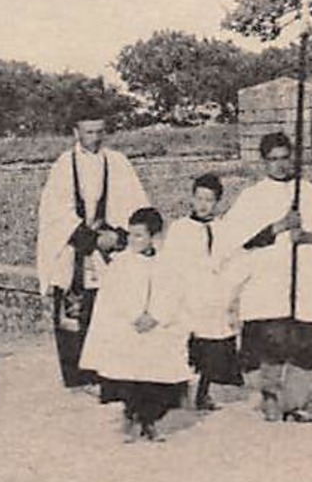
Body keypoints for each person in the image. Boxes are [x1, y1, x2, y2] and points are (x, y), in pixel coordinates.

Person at [216, 132, 312, 422]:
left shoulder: (308, 191)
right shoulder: (253, 196)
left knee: (306, 342)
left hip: (304, 277)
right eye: (273, 160)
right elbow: (236, 240)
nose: (280, 166)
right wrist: (277, 227)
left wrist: (308, 235)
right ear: (264, 162)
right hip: (268, 279)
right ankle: (270, 395)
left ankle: (294, 401)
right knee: (272, 340)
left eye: (285, 158)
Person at [35, 115, 149, 389]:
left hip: (110, 248)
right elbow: (55, 213)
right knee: (73, 309)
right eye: (88, 132)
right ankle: (77, 376)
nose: (95, 138)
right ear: (76, 131)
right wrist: (90, 238)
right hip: (76, 246)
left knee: (109, 308)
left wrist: (119, 236)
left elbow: (137, 206)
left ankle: (109, 373)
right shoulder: (64, 166)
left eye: (100, 132)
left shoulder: (118, 163)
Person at [80, 207, 191, 442]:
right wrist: (134, 315)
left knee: (156, 375)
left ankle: (149, 420)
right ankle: (130, 416)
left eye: (139, 235)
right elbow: (116, 295)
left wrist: (156, 315)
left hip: (156, 325)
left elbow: (174, 293)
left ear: (155, 237)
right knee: (130, 375)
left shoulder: (168, 263)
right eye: (130, 235)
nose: (133, 240)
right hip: (129, 326)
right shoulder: (122, 263)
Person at [161, 173, 244, 410]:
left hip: (214, 296)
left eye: (209, 200)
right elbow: (170, 264)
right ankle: (179, 391)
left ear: (217, 202)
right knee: (187, 344)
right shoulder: (180, 228)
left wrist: (227, 290)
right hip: (188, 294)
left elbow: (233, 260)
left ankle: (203, 393)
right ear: (192, 198)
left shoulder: (224, 228)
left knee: (211, 346)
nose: (203, 205)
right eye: (199, 198)